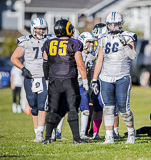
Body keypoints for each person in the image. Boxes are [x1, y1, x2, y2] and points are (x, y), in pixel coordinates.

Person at [91, 11, 138, 144]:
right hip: (105, 77)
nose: (113, 27)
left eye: (116, 24)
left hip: (122, 76)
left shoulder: (128, 36)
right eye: (111, 25)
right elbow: (99, 59)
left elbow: (133, 56)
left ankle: (131, 132)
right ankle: (109, 136)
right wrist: (94, 79)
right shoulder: (103, 38)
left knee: (124, 109)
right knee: (108, 108)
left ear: (120, 24)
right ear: (107, 25)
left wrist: (125, 46)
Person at [42, 19, 89, 144]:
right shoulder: (74, 43)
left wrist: (47, 79)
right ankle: (76, 139)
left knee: (52, 109)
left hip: (54, 80)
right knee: (73, 109)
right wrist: (85, 81)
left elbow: (45, 63)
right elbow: (80, 64)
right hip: (69, 79)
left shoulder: (48, 43)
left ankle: (47, 138)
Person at [10, 17, 52, 142]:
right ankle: (36, 132)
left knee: (42, 105)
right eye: (38, 28)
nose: (41, 31)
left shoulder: (50, 40)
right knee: (33, 106)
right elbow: (14, 58)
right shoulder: (26, 41)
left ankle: (40, 133)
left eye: (43, 29)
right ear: (33, 29)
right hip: (30, 78)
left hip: (45, 78)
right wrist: (23, 68)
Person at [78, 31, 96, 139]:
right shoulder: (77, 53)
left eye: (92, 42)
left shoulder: (91, 56)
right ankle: (56, 132)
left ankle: (82, 133)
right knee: (65, 109)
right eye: (89, 42)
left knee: (85, 109)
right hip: (72, 84)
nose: (91, 44)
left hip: (83, 85)